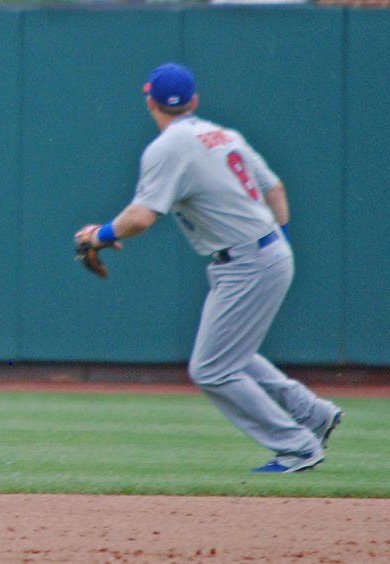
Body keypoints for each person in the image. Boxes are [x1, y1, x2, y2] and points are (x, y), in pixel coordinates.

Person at [74, 62, 343, 474]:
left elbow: (141, 217)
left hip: (247, 260)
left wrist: (99, 234)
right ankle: (312, 414)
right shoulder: (223, 134)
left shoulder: (167, 146)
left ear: (150, 101)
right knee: (232, 355)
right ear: (194, 101)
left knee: (211, 368)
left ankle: (297, 446)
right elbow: (276, 187)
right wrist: (279, 243)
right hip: (262, 251)